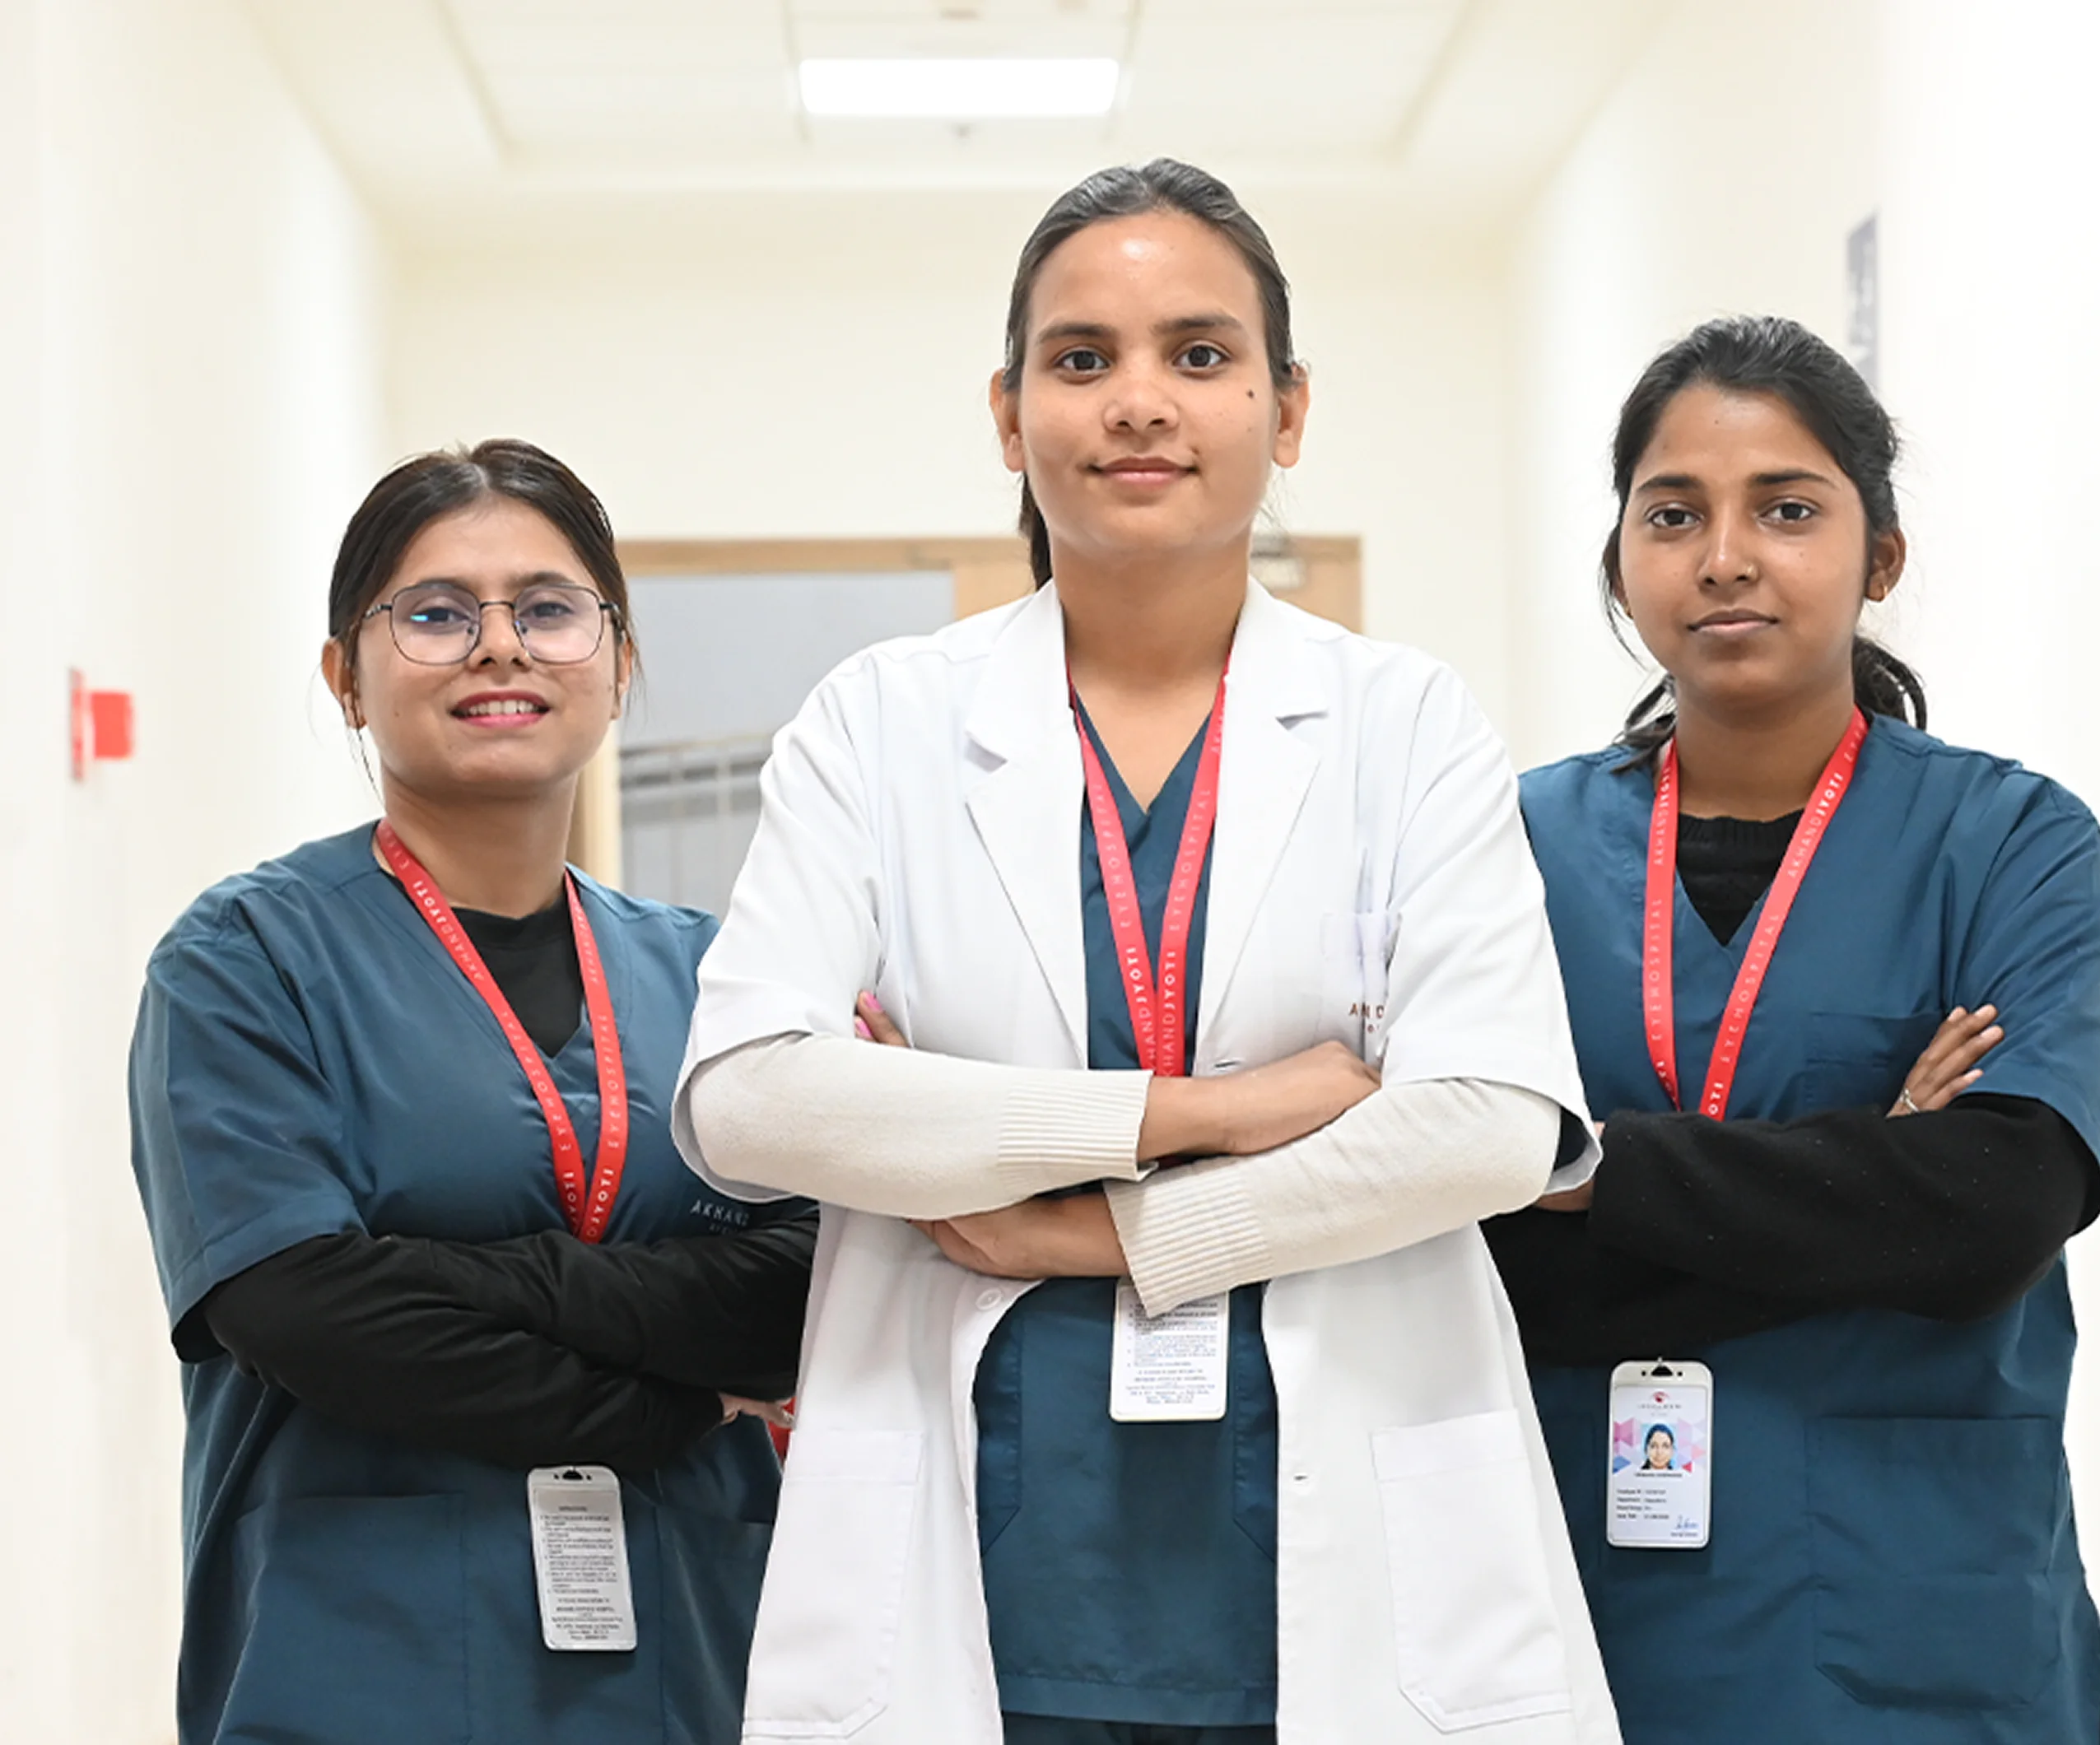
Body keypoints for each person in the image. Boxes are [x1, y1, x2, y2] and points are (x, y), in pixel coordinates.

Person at [673, 160, 1619, 1744]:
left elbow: (1494, 1122)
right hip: (982, 1546)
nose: (1139, 404)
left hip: (1350, 1546)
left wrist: (1094, 1233)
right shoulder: (883, 722)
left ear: (1287, 408)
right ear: (1007, 412)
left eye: (1199, 354)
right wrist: (1202, 1114)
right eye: (1081, 358)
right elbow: (752, 1101)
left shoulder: (1405, 724)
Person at [1489, 316, 2100, 1743]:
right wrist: (1869, 1182)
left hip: (1919, 1597)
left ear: (1879, 558)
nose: (1727, 555)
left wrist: (1583, 1167)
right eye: (1675, 514)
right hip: (1581, 1592)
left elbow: (1992, 1211)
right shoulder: (1504, 848)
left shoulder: (2012, 841)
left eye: (1788, 508)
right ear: (1619, 564)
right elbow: (1472, 1255)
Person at [128, 440, 817, 1745]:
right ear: (346, 675)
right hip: (358, 1665)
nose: (499, 646)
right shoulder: (245, 963)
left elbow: (806, 1285)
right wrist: (673, 1402)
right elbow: (303, 1308)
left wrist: (470, 1279)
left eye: (550, 609)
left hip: (697, 1661)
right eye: (435, 614)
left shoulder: (720, 975)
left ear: (617, 662)